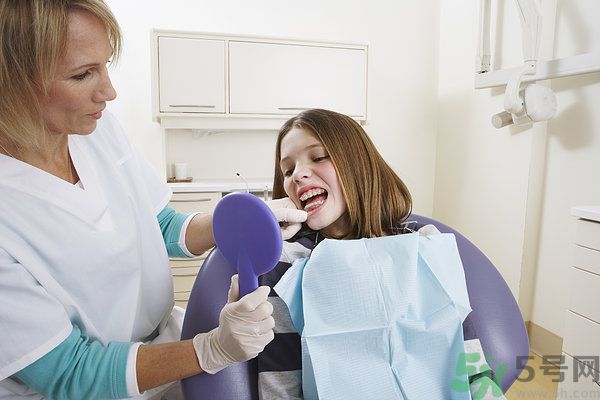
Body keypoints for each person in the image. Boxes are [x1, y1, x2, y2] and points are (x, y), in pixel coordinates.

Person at [0, 1, 306, 399]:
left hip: (166, 345)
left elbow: (157, 225)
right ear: (12, 81)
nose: (109, 92)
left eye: (105, 65)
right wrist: (210, 350)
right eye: (81, 75)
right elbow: (69, 372)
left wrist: (237, 222)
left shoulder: (96, 129)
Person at [256, 109, 505, 399]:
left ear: (357, 163)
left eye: (319, 156)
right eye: (288, 171)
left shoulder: (425, 245)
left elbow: (468, 358)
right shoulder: (288, 263)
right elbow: (281, 385)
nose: (298, 174)